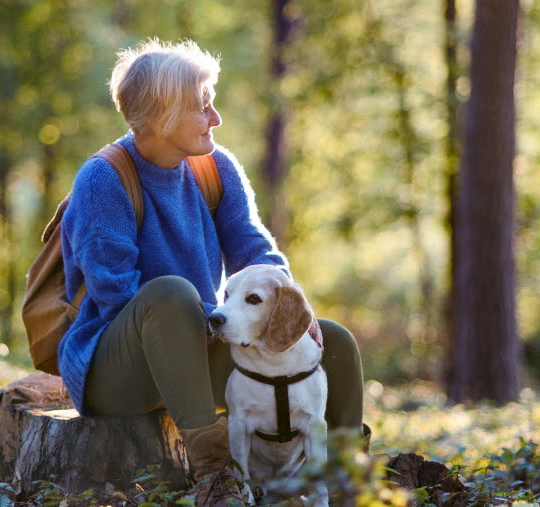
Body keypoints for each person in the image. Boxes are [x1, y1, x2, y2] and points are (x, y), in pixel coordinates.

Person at [59, 39, 368, 505]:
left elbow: (257, 252)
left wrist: (292, 309)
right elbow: (116, 293)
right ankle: (218, 477)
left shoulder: (216, 168)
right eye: (203, 107)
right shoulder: (103, 179)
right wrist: (213, 316)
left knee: (333, 340)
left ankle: (348, 485)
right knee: (171, 295)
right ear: (163, 114)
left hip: (199, 343)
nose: (216, 119)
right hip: (117, 368)